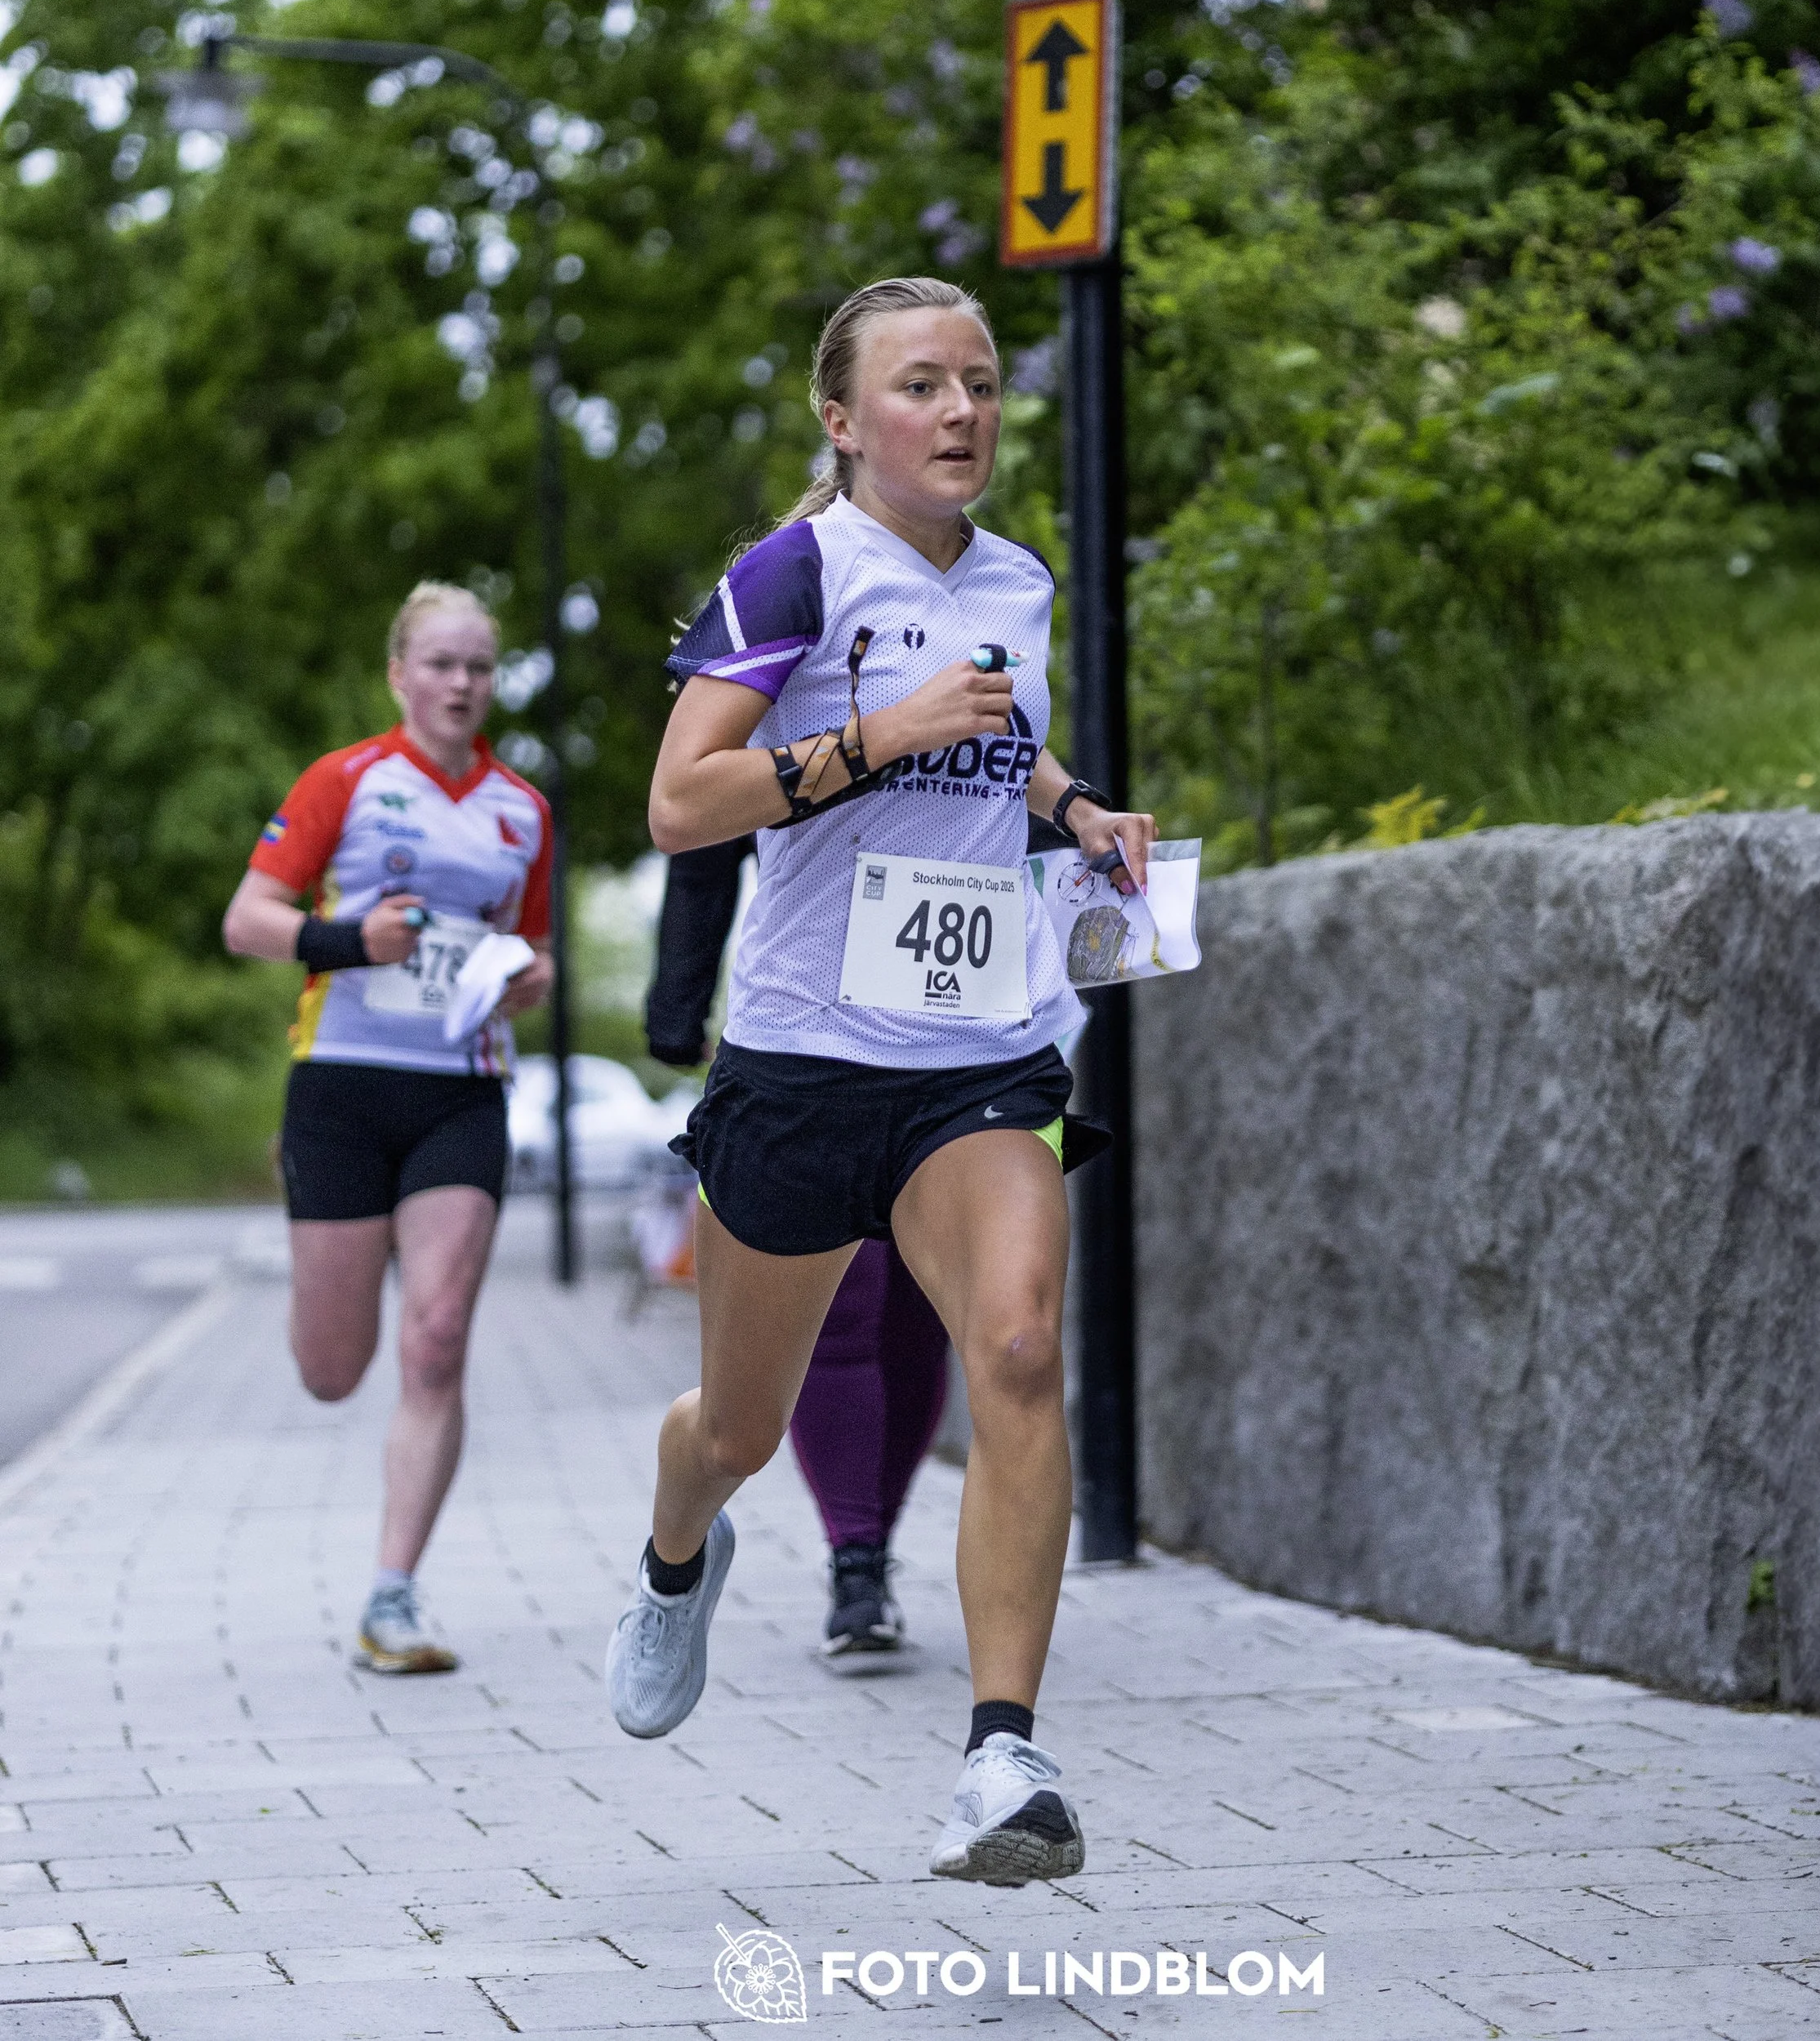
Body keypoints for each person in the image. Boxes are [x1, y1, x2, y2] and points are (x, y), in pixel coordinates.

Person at [606, 274, 1153, 1890]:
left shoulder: (1017, 578)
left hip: (977, 1053)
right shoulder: (793, 569)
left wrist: (1078, 810)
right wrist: (876, 736)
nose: (964, 410)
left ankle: (1001, 1754)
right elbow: (678, 799)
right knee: (738, 1425)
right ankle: (672, 1546)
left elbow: (1003, 737)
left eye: (981, 382)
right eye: (923, 384)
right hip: (796, 1058)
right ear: (843, 419)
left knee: (1019, 1343)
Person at [223, 583, 554, 1674]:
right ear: (400, 674)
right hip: (342, 1086)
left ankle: (393, 1594)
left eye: (480, 665)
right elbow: (249, 920)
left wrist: (525, 981)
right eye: (442, 663)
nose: (463, 684)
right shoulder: (347, 781)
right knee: (333, 1366)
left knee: (439, 1334)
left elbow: (535, 956)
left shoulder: (522, 809)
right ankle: (329, 1300)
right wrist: (348, 941)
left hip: (461, 1088)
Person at [647, 837, 953, 1663]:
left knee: (922, 1310)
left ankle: (871, 1540)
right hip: (813, 1035)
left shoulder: (998, 702)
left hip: (961, 1036)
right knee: (845, 1303)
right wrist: (677, 1004)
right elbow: (699, 817)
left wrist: (1080, 822)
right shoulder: (773, 698)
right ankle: (853, 1555)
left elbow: (1009, 796)